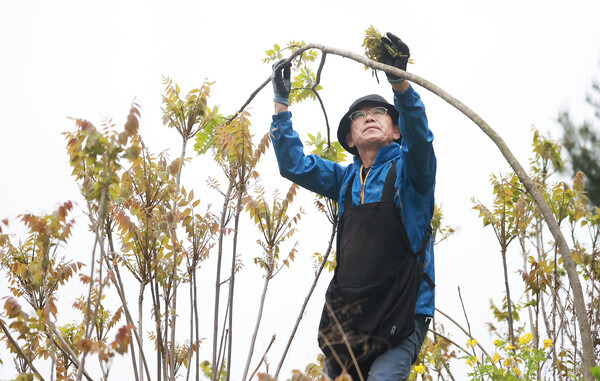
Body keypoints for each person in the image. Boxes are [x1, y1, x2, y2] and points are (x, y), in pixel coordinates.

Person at [269, 33, 435, 380]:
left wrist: (399, 83)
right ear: (350, 137)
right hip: (350, 321)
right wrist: (281, 104)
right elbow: (294, 165)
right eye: (359, 115)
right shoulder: (344, 179)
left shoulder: (411, 172)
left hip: (400, 311)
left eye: (379, 113)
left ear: (396, 131)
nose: (369, 117)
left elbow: (421, 138)